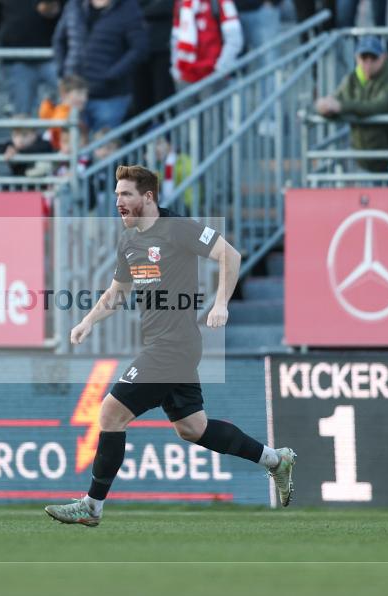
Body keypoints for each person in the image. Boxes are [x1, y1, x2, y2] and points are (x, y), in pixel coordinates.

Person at [44, 165, 295, 526]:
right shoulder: (129, 240)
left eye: (126, 194)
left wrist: (222, 303)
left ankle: (92, 506)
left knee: (110, 414)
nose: (118, 201)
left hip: (172, 345)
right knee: (193, 428)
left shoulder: (177, 228)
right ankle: (275, 459)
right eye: (116, 194)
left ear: (148, 197)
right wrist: (87, 321)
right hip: (165, 344)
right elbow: (118, 292)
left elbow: (231, 255)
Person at [315, 35, 388, 173]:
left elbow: (381, 106)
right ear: (357, 58)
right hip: (364, 159)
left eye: (373, 58)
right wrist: (323, 107)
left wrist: (342, 107)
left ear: (383, 57)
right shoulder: (353, 78)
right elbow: (335, 101)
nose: (368, 64)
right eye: (364, 59)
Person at [53, 0, 147, 132]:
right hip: (74, 95)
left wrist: (112, 74)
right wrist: (63, 72)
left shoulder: (128, 7)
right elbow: (59, 40)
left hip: (110, 96)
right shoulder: (74, 5)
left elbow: (139, 48)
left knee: (104, 149)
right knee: (73, 146)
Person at [39, 74, 88, 150]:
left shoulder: (63, 111)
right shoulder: (62, 114)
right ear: (65, 94)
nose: (84, 98)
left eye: (85, 94)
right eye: (79, 93)